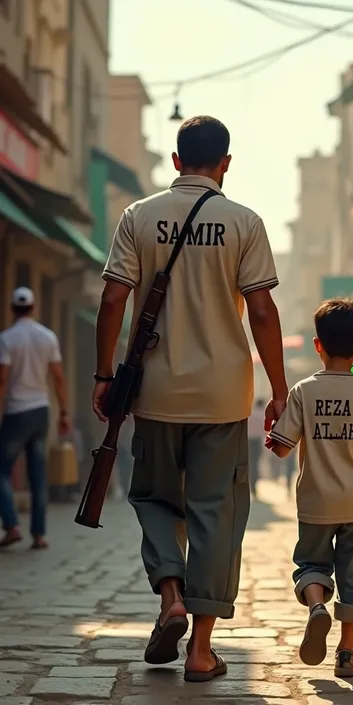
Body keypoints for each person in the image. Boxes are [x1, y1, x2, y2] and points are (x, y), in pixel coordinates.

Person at [92, 116, 287, 682]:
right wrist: (277, 390)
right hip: (225, 398)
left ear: (175, 161)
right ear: (226, 163)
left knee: (154, 499)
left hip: (154, 393)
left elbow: (112, 300)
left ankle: (170, 594)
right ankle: (201, 650)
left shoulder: (138, 215)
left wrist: (105, 376)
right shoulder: (244, 222)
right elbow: (264, 310)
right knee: (215, 516)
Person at [266, 299, 353, 678]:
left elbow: (280, 447)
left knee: (310, 564)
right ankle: (346, 652)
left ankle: (316, 606)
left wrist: (270, 434)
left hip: (315, 502)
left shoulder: (303, 391)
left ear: (317, 345)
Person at [0, 287, 70, 549]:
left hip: (17, 412)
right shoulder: (47, 337)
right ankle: (39, 534)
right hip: (41, 411)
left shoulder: (6, 339)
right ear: (33, 307)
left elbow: (2, 379)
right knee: (38, 474)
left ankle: (12, 524)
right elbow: (58, 377)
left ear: (12, 309)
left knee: (1, 470)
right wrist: (64, 411)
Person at [248, 398, 266, 499]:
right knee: (255, 464)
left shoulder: (250, 413)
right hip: (257, 442)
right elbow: (265, 431)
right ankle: (253, 487)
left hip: (247, 441)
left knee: (249, 464)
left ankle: (250, 486)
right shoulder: (262, 414)